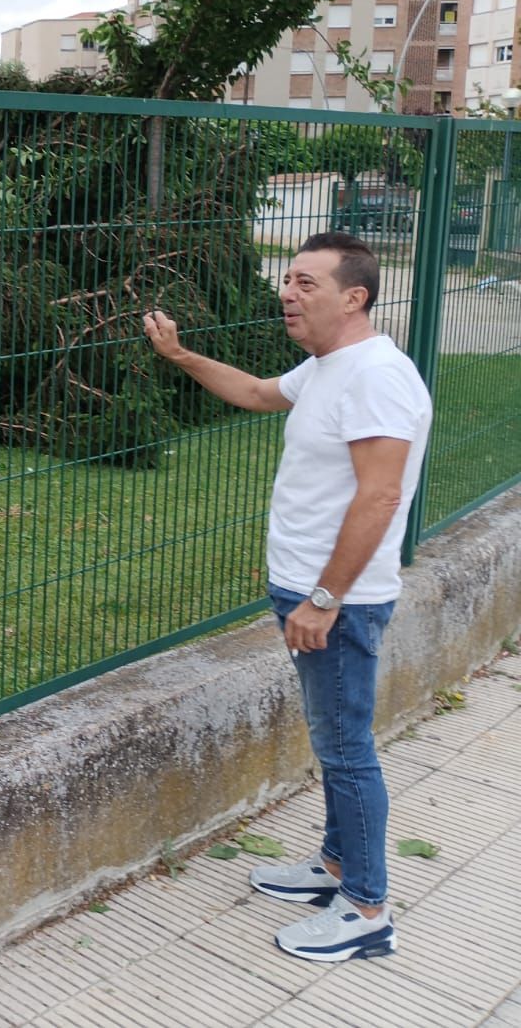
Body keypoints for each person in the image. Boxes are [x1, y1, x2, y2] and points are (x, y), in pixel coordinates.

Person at [143, 231, 432, 963]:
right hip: (312, 592)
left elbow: (381, 495)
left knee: (346, 749)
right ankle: (335, 864)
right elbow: (254, 392)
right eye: (288, 279)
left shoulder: (376, 377)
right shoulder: (328, 366)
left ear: (354, 297)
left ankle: (366, 908)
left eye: (307, 283)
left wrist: (325, 598)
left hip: (338, 601)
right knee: (334, 739)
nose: (287, 292)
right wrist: (179, 355)